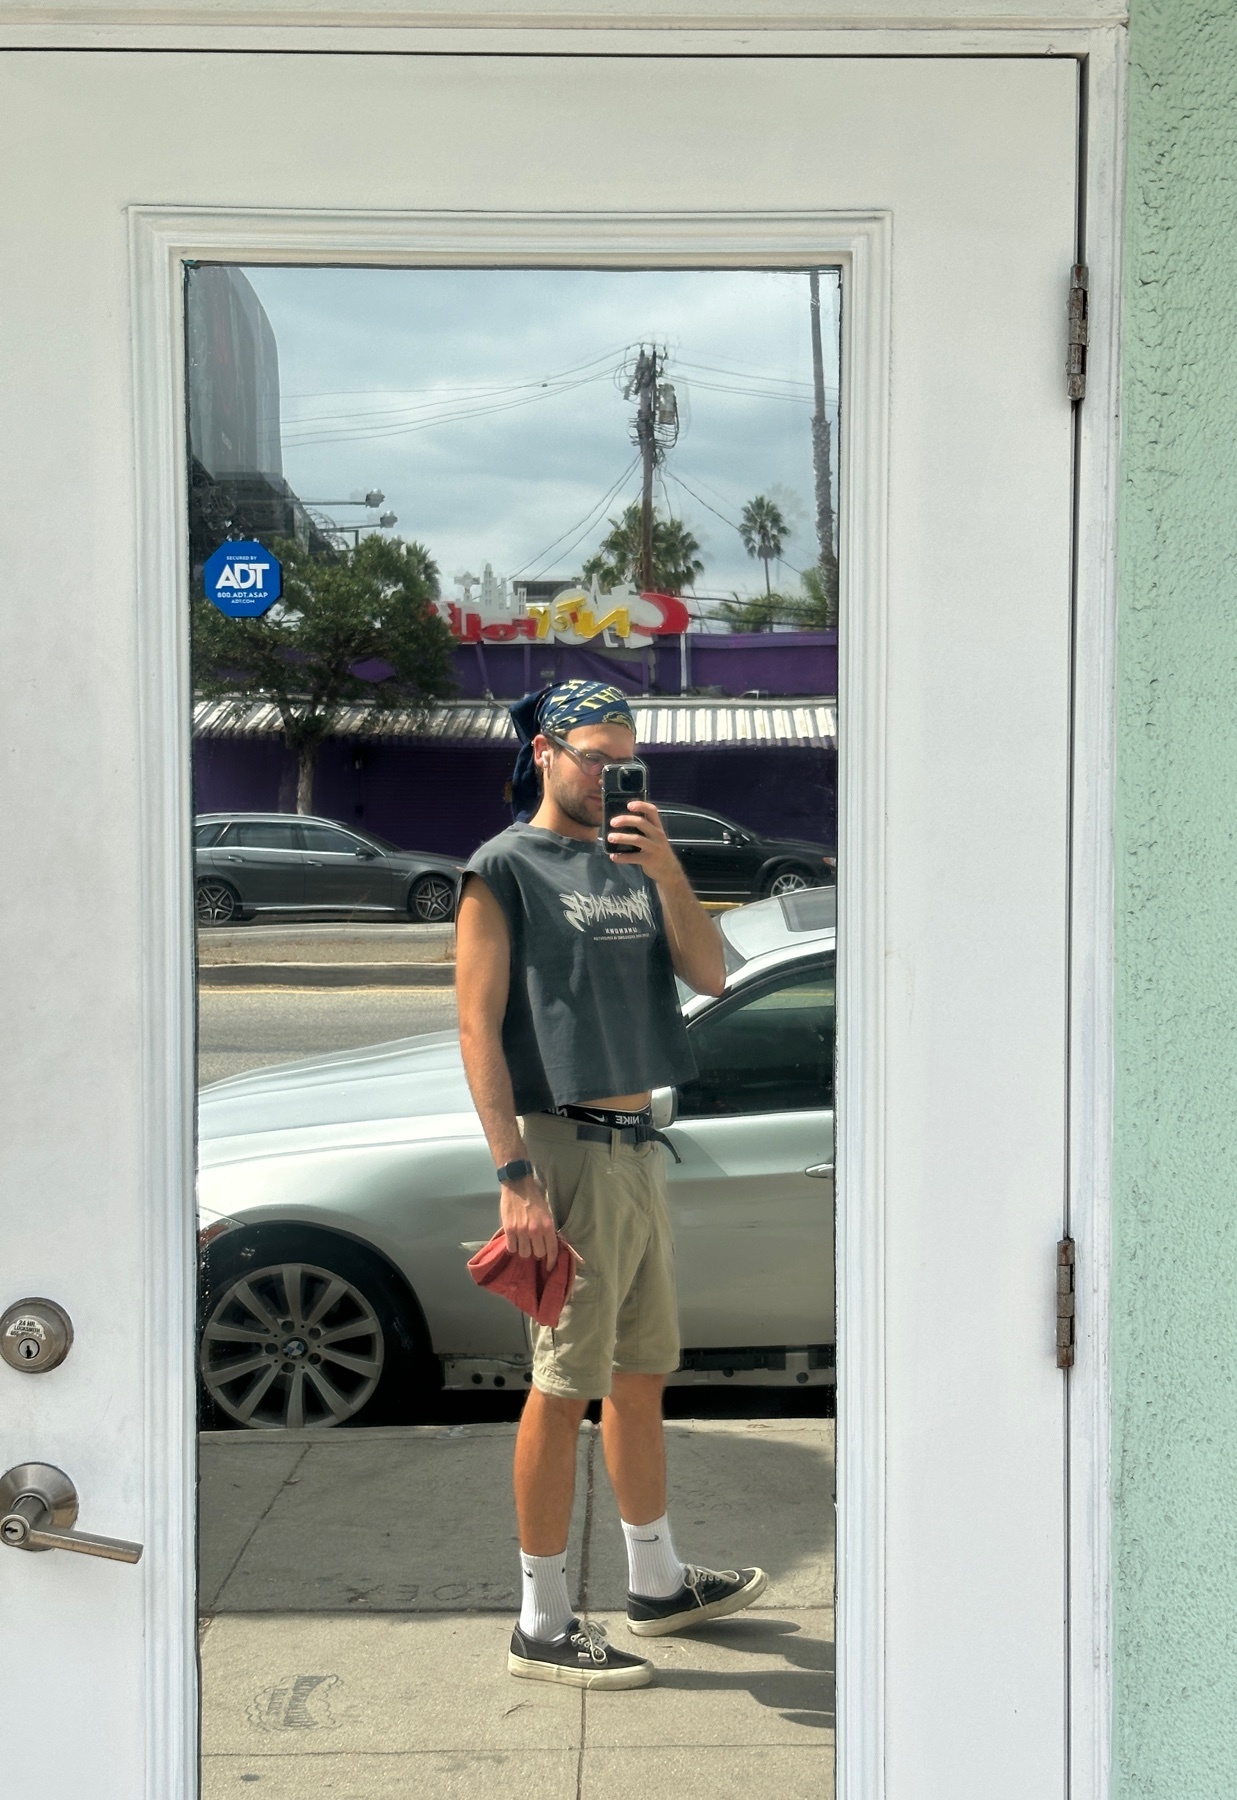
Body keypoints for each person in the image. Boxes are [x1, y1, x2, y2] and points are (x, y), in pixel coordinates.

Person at [456, 678, 768, 1691]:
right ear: (544, 753)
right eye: (592, 757)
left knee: (638, 1378)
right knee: (561, 1388)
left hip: (636, 1149)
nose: (608, 776)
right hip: (565, 1151)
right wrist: (514, 1175)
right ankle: (541, 1621)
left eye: (624, 762)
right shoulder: (503, 867)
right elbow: (475, 1028)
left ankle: (656, 1582)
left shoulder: (635, 861)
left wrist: (666, 865)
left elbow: (711, 974)